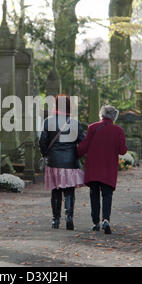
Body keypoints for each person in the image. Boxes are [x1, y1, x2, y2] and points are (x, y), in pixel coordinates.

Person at [77, 105, 127, 234]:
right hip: (109, 167)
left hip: (93, 166)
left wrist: (74, 154)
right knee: (107, 194)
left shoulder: (92, 127)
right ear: (114, 116)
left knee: (94, 193)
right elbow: (122, 151)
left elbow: (84, 146)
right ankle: (106, 219)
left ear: (101, 115)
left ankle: (95, 222)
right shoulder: (119, 130)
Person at [39, 94, 85, 230]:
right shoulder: (75, 123)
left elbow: (42, 141)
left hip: (54, 162)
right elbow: (83, 142)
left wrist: (46, 154)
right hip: (70, 162)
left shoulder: (48, 121)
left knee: (56, 191)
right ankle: (69, 217)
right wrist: (77, 154)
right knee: (69, 191)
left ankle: (55, 220)